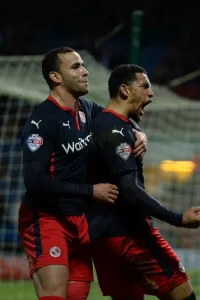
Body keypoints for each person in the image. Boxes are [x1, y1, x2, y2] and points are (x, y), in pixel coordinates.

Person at [18, 47, 147, 300]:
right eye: (76, 67)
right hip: (46, 217)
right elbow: (34, 181)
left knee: (77, 295)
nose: (86, 71)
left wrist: (139, 132)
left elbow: (117, 118)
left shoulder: (86, 109)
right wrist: (91, 191)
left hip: (79, 219)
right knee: (55, 294)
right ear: (56, 77)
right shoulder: (42, 121)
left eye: (83, 65)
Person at [88, 64, 200, 300]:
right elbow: (130, 189)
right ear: (124, 90)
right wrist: (178, 219)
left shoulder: (100, 123)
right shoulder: (117, 132)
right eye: (145, 86)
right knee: (184, 295)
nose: (151, 93)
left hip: (102, 238)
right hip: (131, 234)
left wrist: (137, 129)